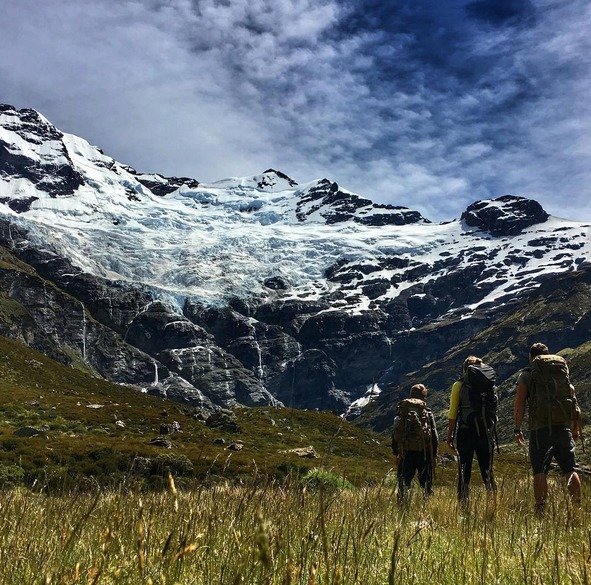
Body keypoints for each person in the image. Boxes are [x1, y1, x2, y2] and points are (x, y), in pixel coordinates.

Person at [514, 343, 582, 512]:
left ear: (531, 357)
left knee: (540, 470)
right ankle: (577, 506)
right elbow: (572, 397)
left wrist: (517, 428)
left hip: (540, 429)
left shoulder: (528, 375)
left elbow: (519, 403)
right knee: (569, 468)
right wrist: (574, 427)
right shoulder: (559, 372)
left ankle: (540, 509)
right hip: (563, 427)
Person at [447, 356, 497, 502]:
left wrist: (450, 436)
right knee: (487, 468)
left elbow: (453, 413)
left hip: (466, 430)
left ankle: (463, 502)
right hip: (486, 431)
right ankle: (493, 501)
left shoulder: (459, 385)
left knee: (464, 468)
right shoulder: (490, 385)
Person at [391, 383, 438, 501]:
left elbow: (396, 432)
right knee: (426, 485)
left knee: (403, 484)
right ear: (424, 397)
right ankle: (427, 506)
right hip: (424, 453)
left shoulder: (402, 411)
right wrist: (434, 456)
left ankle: (401, 506)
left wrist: (395, 452)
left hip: (405, 452)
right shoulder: (427, 412)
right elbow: (434, 436)